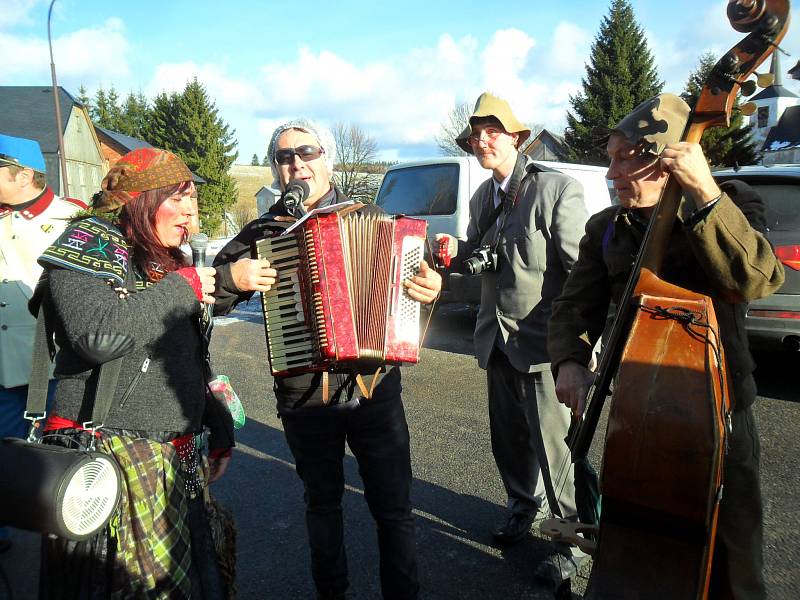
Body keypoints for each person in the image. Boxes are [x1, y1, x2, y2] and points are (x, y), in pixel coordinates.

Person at [548, 93, 785, 599]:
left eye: (623, 158)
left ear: (663, 159)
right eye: (609, 158)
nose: (609, 173)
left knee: (735, 566)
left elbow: (758, 277)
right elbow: (573, 305)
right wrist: (569, 359)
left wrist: (703, 191)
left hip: (720, 414)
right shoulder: (607, 226)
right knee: (637, 544)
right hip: (636, 412)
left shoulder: (735, 202)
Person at [212, 118, 441, 600]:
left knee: (394, 509)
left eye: (306, 153)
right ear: (275, 169)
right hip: (303, 395)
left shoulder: (372, 215)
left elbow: (415, 283)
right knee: (322, 505)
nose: (296, 164)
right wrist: (236, 275)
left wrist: (431, 287)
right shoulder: (264, 230)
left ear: (327, 159)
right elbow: (215, 293)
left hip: (374, 387)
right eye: (284, 157)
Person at [34, 148, 234, 598]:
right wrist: (183, 287)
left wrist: (217, 426)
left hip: (176, 455)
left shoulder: (162, 257)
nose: (189, 211)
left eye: (192, 199)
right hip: (108, 456)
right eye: (177, 198)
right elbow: (97, 338)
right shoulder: (86, 244)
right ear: (140, 200)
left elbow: (185, 356)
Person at [434, 92, 589, 586]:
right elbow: (480, 265)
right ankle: (522, 508)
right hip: (494, 341)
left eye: (493, 131)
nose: (483, 139)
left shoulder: (555, 189)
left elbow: (580, 276)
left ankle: (574, 542)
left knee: (557, 449)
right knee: (508, 440)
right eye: (477, 134)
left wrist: (579, 352)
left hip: (544, 345)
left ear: (517, 138)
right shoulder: (483, 198)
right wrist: (451, 254)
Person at [0, 134, 86, 553]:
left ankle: (72, 536)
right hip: (2, 365)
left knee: (64, 458)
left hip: (55, 365)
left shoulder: (73, 220)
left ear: (23, 174)